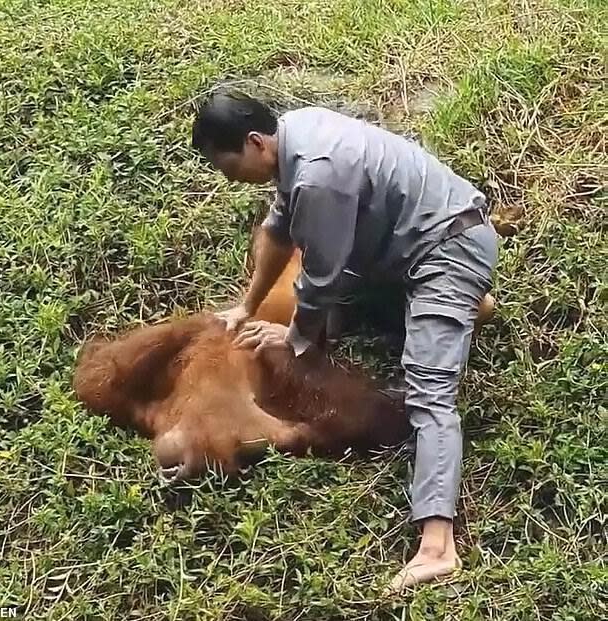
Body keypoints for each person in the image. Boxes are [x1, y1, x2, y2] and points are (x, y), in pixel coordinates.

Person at [190, 91, 498, 591]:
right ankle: (458, 308)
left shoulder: (316, 173)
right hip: (402, 244)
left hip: (447, 245)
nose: (229, 178)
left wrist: (294, 340)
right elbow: (277, 230)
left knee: (427, 392)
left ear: (254, 143)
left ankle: (438, 547)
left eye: (228, 167)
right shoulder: (295, 133)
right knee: (343, 306)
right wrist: (246, 308)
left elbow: (320, 278)